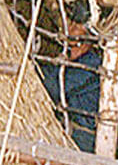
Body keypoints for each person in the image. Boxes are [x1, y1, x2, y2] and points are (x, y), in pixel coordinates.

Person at [39, 9, 101, 153]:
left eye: (78, 42)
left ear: (89, 40)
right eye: (72, 25)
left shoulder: (91, 65)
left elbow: (55, 87)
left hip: (83, 137)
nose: (72, 47)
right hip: (70, 130)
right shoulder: (75, 61)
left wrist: (33, 69)